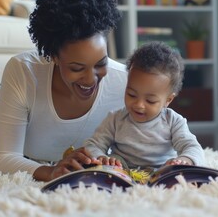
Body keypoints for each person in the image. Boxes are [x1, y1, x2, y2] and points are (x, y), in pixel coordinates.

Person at [0, 0, 127, 182]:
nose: (91, 79)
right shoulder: (23, 70)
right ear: (54, 57)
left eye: (100, 64)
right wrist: (50, 171)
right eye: (77, 68)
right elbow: (4, 157)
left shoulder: (123, 83)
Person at [84, 41, 205, 170]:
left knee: (181, 178)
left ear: (168, 100)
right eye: (131, 94)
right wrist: (101, 157)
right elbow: (93, 145)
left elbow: (192, 147)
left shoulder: (173, 121)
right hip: (122, 169)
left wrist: (185, 159)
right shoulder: (116, 119)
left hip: (160, 170)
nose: (139, 105)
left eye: (150, 101)